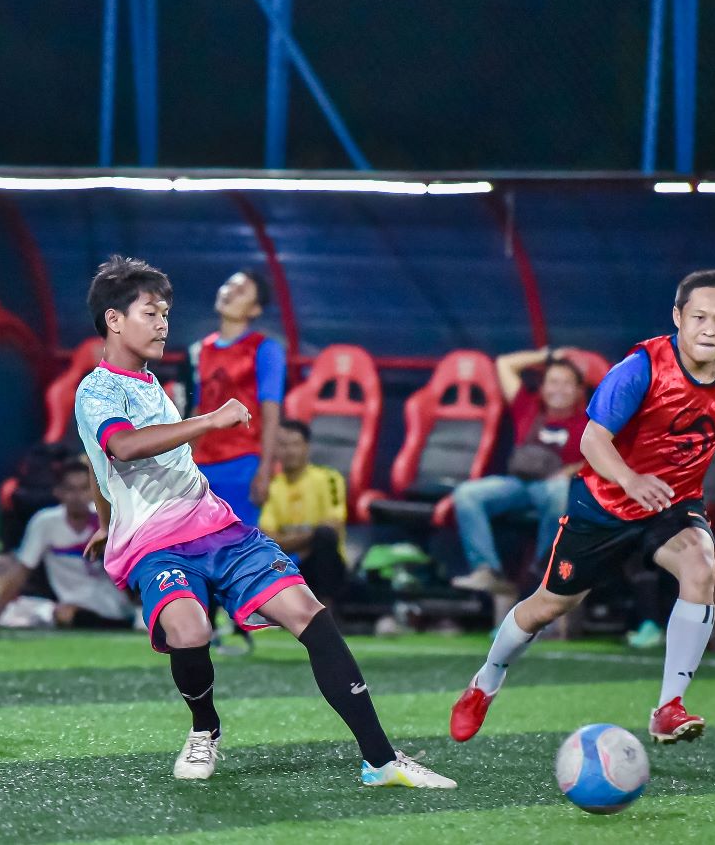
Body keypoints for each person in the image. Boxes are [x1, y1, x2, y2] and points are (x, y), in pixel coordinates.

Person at [75, 254, 454, 788]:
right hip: (155, 545)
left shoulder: (149, 381)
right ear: (114, 320)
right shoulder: (97, 390)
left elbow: (97, 462)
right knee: (190, 628)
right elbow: (119, 447)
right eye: (151, 313)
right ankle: (204, 730)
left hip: (216, 525)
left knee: (308, 613)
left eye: (166, 314)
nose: (163, 324)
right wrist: (211, 420)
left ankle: (382, 760)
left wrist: (102, 521)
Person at [450, 270, 715, 747]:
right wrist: (630, 479)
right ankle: (486, 680)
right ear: (677, 317)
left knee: (701, 563)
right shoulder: (640, 368)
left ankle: (668, 707)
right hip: (604, 505)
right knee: (549, 606)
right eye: (700, 317)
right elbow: (593, 440)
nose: (710, 329)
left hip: (672, 502)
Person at [449, 349, 590, 594]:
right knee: (467, 494)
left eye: (567, 383)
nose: (559, 389)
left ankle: (542, 573)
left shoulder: (589, 421)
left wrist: (570, 471)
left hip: (555, 486)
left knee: (560, 493)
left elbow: (605, 458)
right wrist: (548, 355)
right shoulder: (527, 407)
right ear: (542, 388)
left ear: (579, 391)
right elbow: (504, 362)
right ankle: (487, 571)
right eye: (553, 382)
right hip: (518, 484)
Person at [190, 269, 285, 527]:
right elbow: (200, 408)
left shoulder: (265, 349)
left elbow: (271, 413)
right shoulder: (202, 349)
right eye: (229, 285)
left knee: (234, 541)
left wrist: (265, 469)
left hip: (242, 465)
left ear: (255, 309)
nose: (230, 292)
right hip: (201, 466)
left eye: (241, 291)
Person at [0, 459, 134, 628]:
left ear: (94, 491)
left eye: (84, 488)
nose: (77, 496)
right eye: (70, 489)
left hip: (113, 605)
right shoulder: (45, 522)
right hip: (69, 607)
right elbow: (22, 570)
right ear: (58, 492)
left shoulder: (107, 521)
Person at [258, 419, 349, 608]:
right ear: (276, 450)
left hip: (325, 566)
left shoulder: (329, 479)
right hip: (290, 565)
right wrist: (308, 540)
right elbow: (268, 538)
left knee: (324, 538)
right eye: (284, 445)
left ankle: (326, 611)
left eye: (295, 444)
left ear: (307, 447)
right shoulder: (273, 487)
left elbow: (333, 526)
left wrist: (295, 542)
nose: (290, 451)